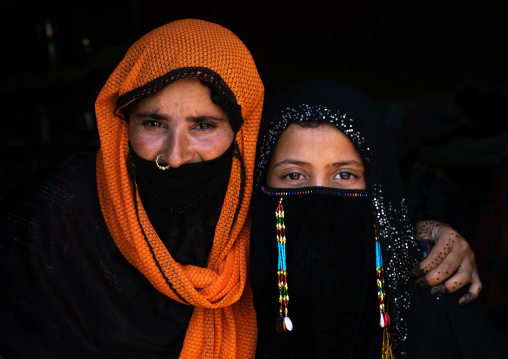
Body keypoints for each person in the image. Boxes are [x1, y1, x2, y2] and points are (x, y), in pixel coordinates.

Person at [0, 19, 482, 359]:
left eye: (205, 125)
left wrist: (428, 232)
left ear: (242, 136)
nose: (177, 153)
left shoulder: (258, 218)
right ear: (119, 126)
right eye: (152, 122)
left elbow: (347, 227)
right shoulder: (59, 211)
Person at [250, 80, 503, 358]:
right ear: (261, 181)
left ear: (379, 186)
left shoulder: (433, 286)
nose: (319, 197)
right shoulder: (232, 289)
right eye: (293, 175)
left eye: (345, 175)